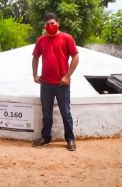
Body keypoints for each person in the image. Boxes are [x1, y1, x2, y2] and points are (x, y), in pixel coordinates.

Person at [32, 12, 80, 151]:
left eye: (52, 23)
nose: (50, 26)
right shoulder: (41, 40)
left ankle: (70, 139)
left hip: (62, 84)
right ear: (44, 26)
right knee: (46, 113)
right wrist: (35, 75)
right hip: (45, 84)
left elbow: (75, 57)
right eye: (47, 24)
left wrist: (67, 75)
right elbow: (35, 58)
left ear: (58, 23)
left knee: (66, 113)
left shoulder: (67, 38)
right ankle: (46, 137)